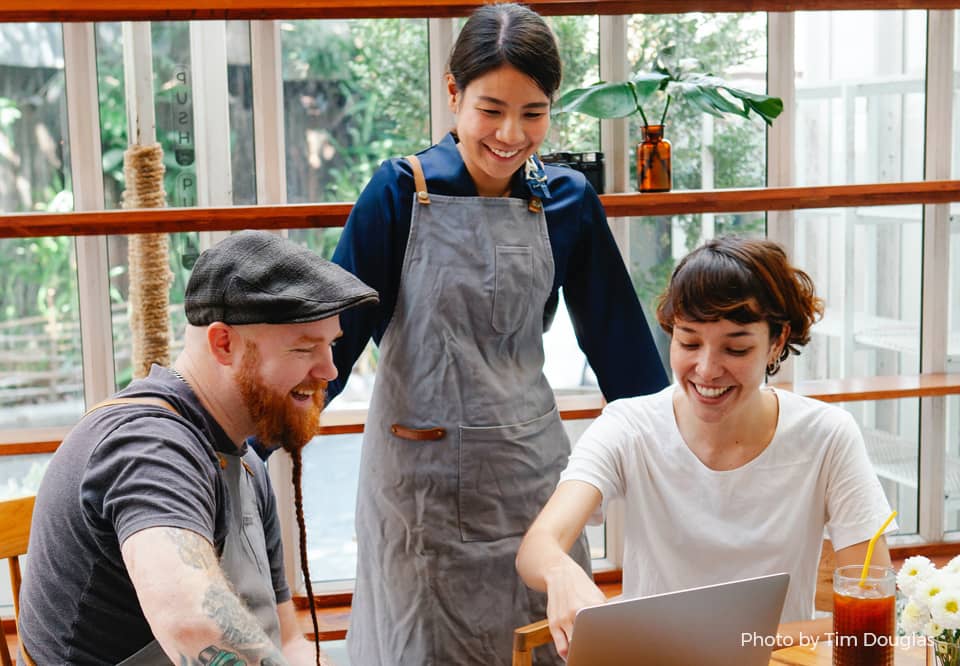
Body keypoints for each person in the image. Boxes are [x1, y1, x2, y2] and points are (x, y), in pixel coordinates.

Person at [326, 4, 667, 664]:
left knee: (546, 644)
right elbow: (331, 346)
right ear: (452, 94)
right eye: (491, 109)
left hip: (529, 487)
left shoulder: (566, 202)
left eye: (533, 112)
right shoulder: (398, 193)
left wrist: (689, 454)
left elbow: (627, 360)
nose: (511, 133)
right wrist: (246, 442)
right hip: (416, 497)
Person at [516, 236, 897, 659]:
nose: (707, 370)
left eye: (736, 347)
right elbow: (538, 545)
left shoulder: (826, 435)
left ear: (776, 341)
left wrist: (743, 647)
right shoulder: (629, 426)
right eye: (689, 342)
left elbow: (871, 599)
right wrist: (559, 571)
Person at [18, 231, 378, 665]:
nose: (329, 369)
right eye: (304, 348)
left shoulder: (244, 460)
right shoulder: (149, 448)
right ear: (223, 343)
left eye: (331, 344)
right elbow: (193, 626)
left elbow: (286, 640)